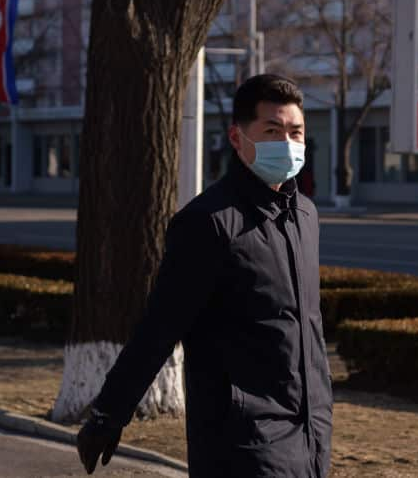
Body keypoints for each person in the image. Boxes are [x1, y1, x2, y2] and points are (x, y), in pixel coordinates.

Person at [76, 74, 333, 477]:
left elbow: (307, 327)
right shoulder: (208, 222)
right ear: (237, 138)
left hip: (310, 434)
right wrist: (109, 413)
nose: (287, 143)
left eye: (295, 132)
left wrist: (320, 414)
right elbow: (160, 327)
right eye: (272, 130)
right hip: (242, 441)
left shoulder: (306, 216)